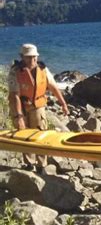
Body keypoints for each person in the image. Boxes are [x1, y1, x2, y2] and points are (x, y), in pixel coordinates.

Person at [7, 44, 69, 173]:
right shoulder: (15, 71)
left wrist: (63, 104)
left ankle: (41, 165)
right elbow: (15, 96)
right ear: (22, 57)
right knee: (24, 135)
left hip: (38, 104)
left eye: (34, 57)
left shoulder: (43, 69)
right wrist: (19, 116)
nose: (32, 60)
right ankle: (29, 163)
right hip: (21, 106)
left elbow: (53, 86)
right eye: (29, 57)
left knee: (40, 134)